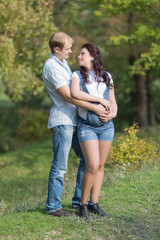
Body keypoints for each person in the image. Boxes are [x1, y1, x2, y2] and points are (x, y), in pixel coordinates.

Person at [42, 32, 110, 217]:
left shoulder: (62, 63)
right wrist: (95, 107)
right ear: (57, 49)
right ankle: (53, 206)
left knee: (87, 160)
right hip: (63, 121)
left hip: (75, 121)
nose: (72, 52)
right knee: (60, 165)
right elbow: (68, 96)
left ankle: (80, 200)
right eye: (68, 48)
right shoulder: (52, 66)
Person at [71, 43, 118, 219]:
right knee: (91, 165)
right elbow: (75, 94)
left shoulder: (107, 76)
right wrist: (98, 101)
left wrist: (112, 114)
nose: (78, 56)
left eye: (82, 53)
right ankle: (82, 205)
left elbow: (112, 101)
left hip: (107, 127)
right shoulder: (76, 76)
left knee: (100, 166)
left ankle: (93, 203)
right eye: (78, 54)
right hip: (87, 126)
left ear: (92, 56)